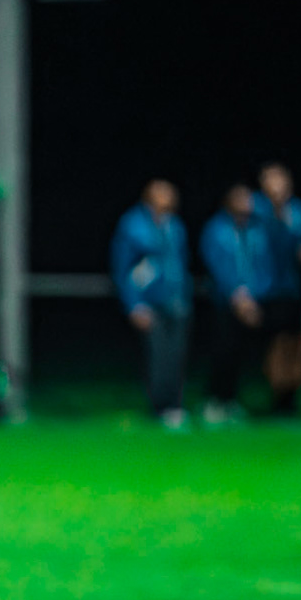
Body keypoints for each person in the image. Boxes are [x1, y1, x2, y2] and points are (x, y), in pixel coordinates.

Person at [110, 179, 190, 425]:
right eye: (161, 193)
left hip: (176, 302)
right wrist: (134, 304)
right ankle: (161, 407)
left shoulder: (174, 226)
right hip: (149, 304)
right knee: (158, 355)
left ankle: (175, 405)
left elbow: (179, 263)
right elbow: (123, 268)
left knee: (176, 355)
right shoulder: (133, 225)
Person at [199, 184, 274, 422]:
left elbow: (263, 265)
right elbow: (217, 265)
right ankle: (214, 401)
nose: (247, 204)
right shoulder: (217, 229)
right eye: (240, 199)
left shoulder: (256, 230)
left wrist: (254, 297)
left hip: (252, 302)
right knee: (222, 350)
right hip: (225, 303)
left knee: (240, 354)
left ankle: (230, 400)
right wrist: (237, 295)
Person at [253, 163, 301, 414]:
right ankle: (276, 394)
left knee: (294, 342)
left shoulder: (298, 211)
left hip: (293, 288)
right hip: (267, 288)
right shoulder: (257, 210)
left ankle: (292, 393)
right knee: (275, 343)